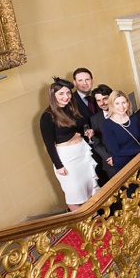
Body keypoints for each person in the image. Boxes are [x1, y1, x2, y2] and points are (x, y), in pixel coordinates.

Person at [40, 78, 99, 209]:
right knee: (74, 193)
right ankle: (83, 223)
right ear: (53, 95)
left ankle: (94, 216)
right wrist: (59, 165)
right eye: (61, 93)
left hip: (82, 152)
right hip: (67, 158)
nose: (66, 97)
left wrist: (86, 132)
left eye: (68, 93)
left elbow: (77, 128)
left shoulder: (71, 108)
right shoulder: (47, 116)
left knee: (88, 188)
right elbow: (48, 144)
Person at [102, 89, 140, 172]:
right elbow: (117, 151)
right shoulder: (107, 125)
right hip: (124, 165)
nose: (121, 107)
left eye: (124, 102)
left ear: (128, 103)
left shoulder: (134, 118)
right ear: (112, 105)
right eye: (117, 103)